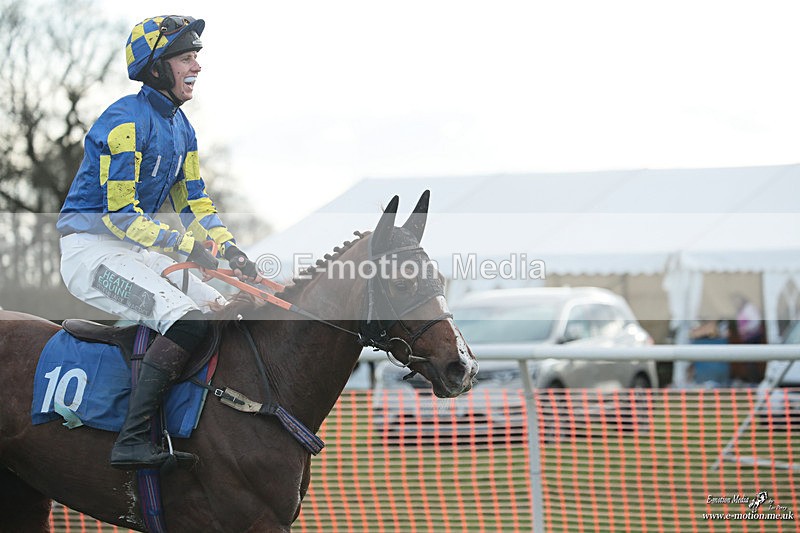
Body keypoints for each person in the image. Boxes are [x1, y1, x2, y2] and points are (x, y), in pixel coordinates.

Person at [57, 15, 259, 470]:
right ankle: (131, 440)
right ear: (156, 67)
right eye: (187, 58)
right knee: (189, 322)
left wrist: (230, 249)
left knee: (219, 312)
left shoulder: (182, 128)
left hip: (134, 252)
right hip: (92, 255)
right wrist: (186, 248)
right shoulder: (124, 121)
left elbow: (195, 203)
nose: (197, 67)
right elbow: (121, 216)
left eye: (196, 58)